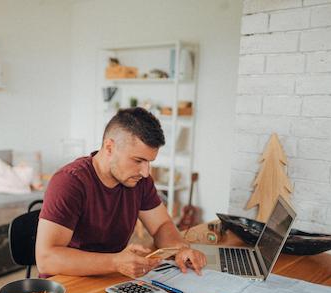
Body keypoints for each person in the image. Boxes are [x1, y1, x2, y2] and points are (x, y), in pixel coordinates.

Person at [36, 107, 207, 278]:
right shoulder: (70, 182)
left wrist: (180, 249)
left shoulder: (140, 180)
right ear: (109, 147)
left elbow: (162, 225)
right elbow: (46, 260)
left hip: (112, 278)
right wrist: (116, 262)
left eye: (149, 162)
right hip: (67, 285)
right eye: (138, 160)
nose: (146, 172)